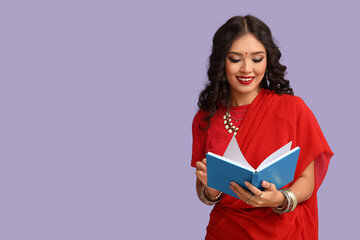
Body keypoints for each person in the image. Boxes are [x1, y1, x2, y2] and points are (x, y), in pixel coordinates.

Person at [191, 15, 333, 240]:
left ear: (268, 61)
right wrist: (210, 190)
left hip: (282, 231)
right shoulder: (205, 118)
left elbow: (308, 180)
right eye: (235, 59)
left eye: (257, 59)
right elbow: (203, 189)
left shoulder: (292, 109)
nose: (247, 69)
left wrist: (281, 199)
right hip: (226, 231)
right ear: (221, 62)